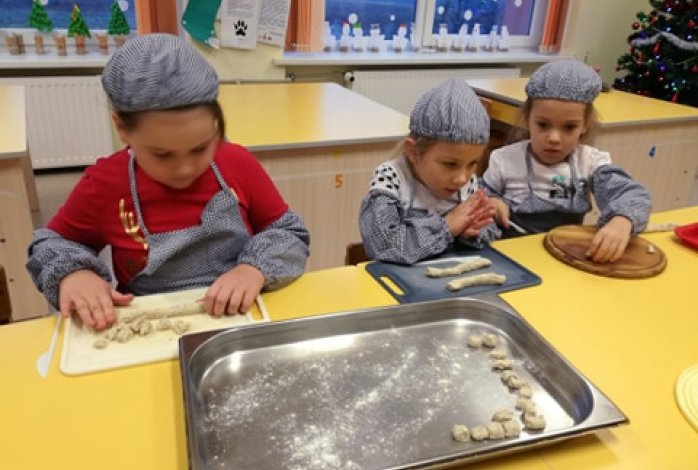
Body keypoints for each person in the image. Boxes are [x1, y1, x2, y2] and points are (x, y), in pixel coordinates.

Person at [26, 33, 310, 330]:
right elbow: (50, 244)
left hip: (239, 320)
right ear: (122, 128)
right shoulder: (106, 184)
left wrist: (253, 268)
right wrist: (74, 274)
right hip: (150, 329)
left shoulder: (237, 164)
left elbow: (289, 232)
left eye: (200, 148)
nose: (185, 169)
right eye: (162, 154)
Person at [482, 59, 651, 263]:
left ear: (584, 125)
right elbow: (479, 193)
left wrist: (622, 221)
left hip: (567, 256)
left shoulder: (590, 162)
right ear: (528, 120)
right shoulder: (504, 159)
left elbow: (632, 194)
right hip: (512, 256)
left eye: (569, 127)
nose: (554, 138)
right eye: (543, 125)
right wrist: (491, 200)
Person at [359, 79, 499, 264]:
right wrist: (447, 227)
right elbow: (382, 245)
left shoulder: (468, 184)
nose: (462, 178)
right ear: (414, 152)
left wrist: (469, 234)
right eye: (450, 164)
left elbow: (489, 232)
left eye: (472, 163)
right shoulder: (392, 180)